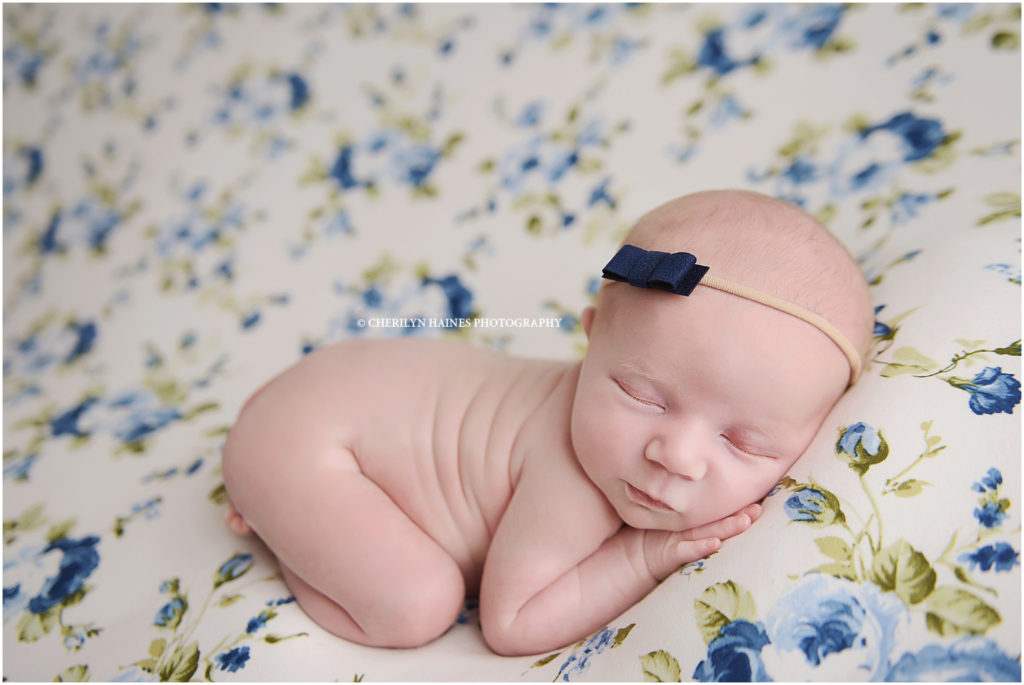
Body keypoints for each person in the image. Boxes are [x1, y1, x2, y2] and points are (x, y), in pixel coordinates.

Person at [221, 189, 874, 656]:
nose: (675, 455)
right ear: (591, 341)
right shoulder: (574, 477)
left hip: (335, 394)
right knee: (416, 603)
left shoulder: (626, 437)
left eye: (742, 441)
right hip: (312, 440)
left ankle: (284, 504)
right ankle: (275, 515)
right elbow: (512, 620)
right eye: (641, 394)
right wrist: (644, 553)